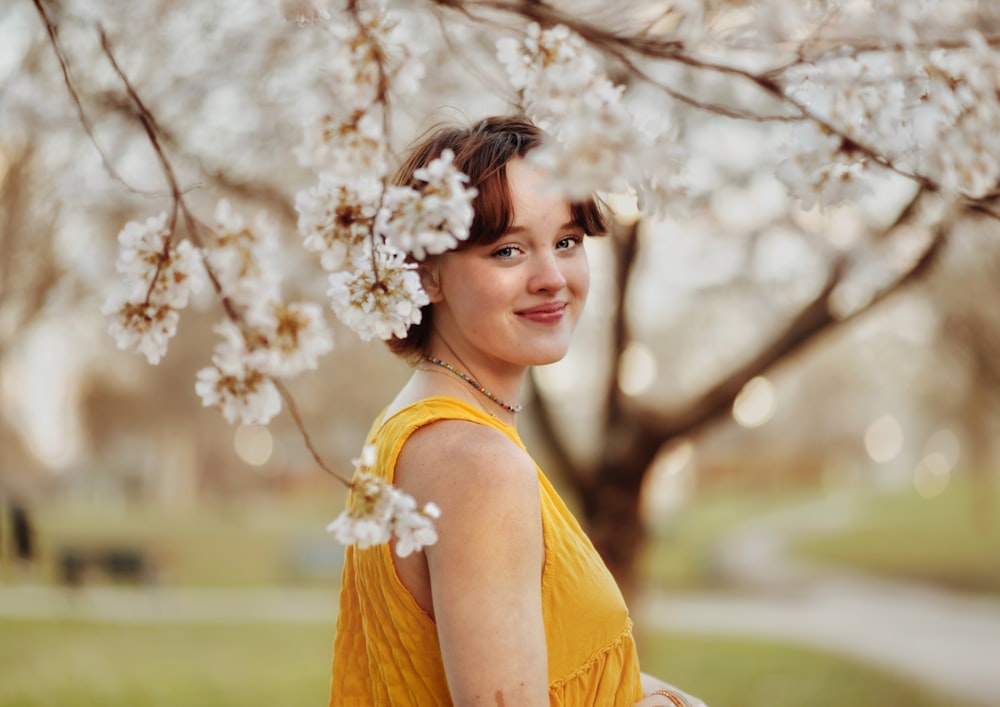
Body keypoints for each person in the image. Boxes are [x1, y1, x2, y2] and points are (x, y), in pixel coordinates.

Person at [330, 115, 704, 707]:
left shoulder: (420, 427)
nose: (552, 278)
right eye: (508, 250)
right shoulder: (475, 462)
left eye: (567, 242)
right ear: (429, 275)